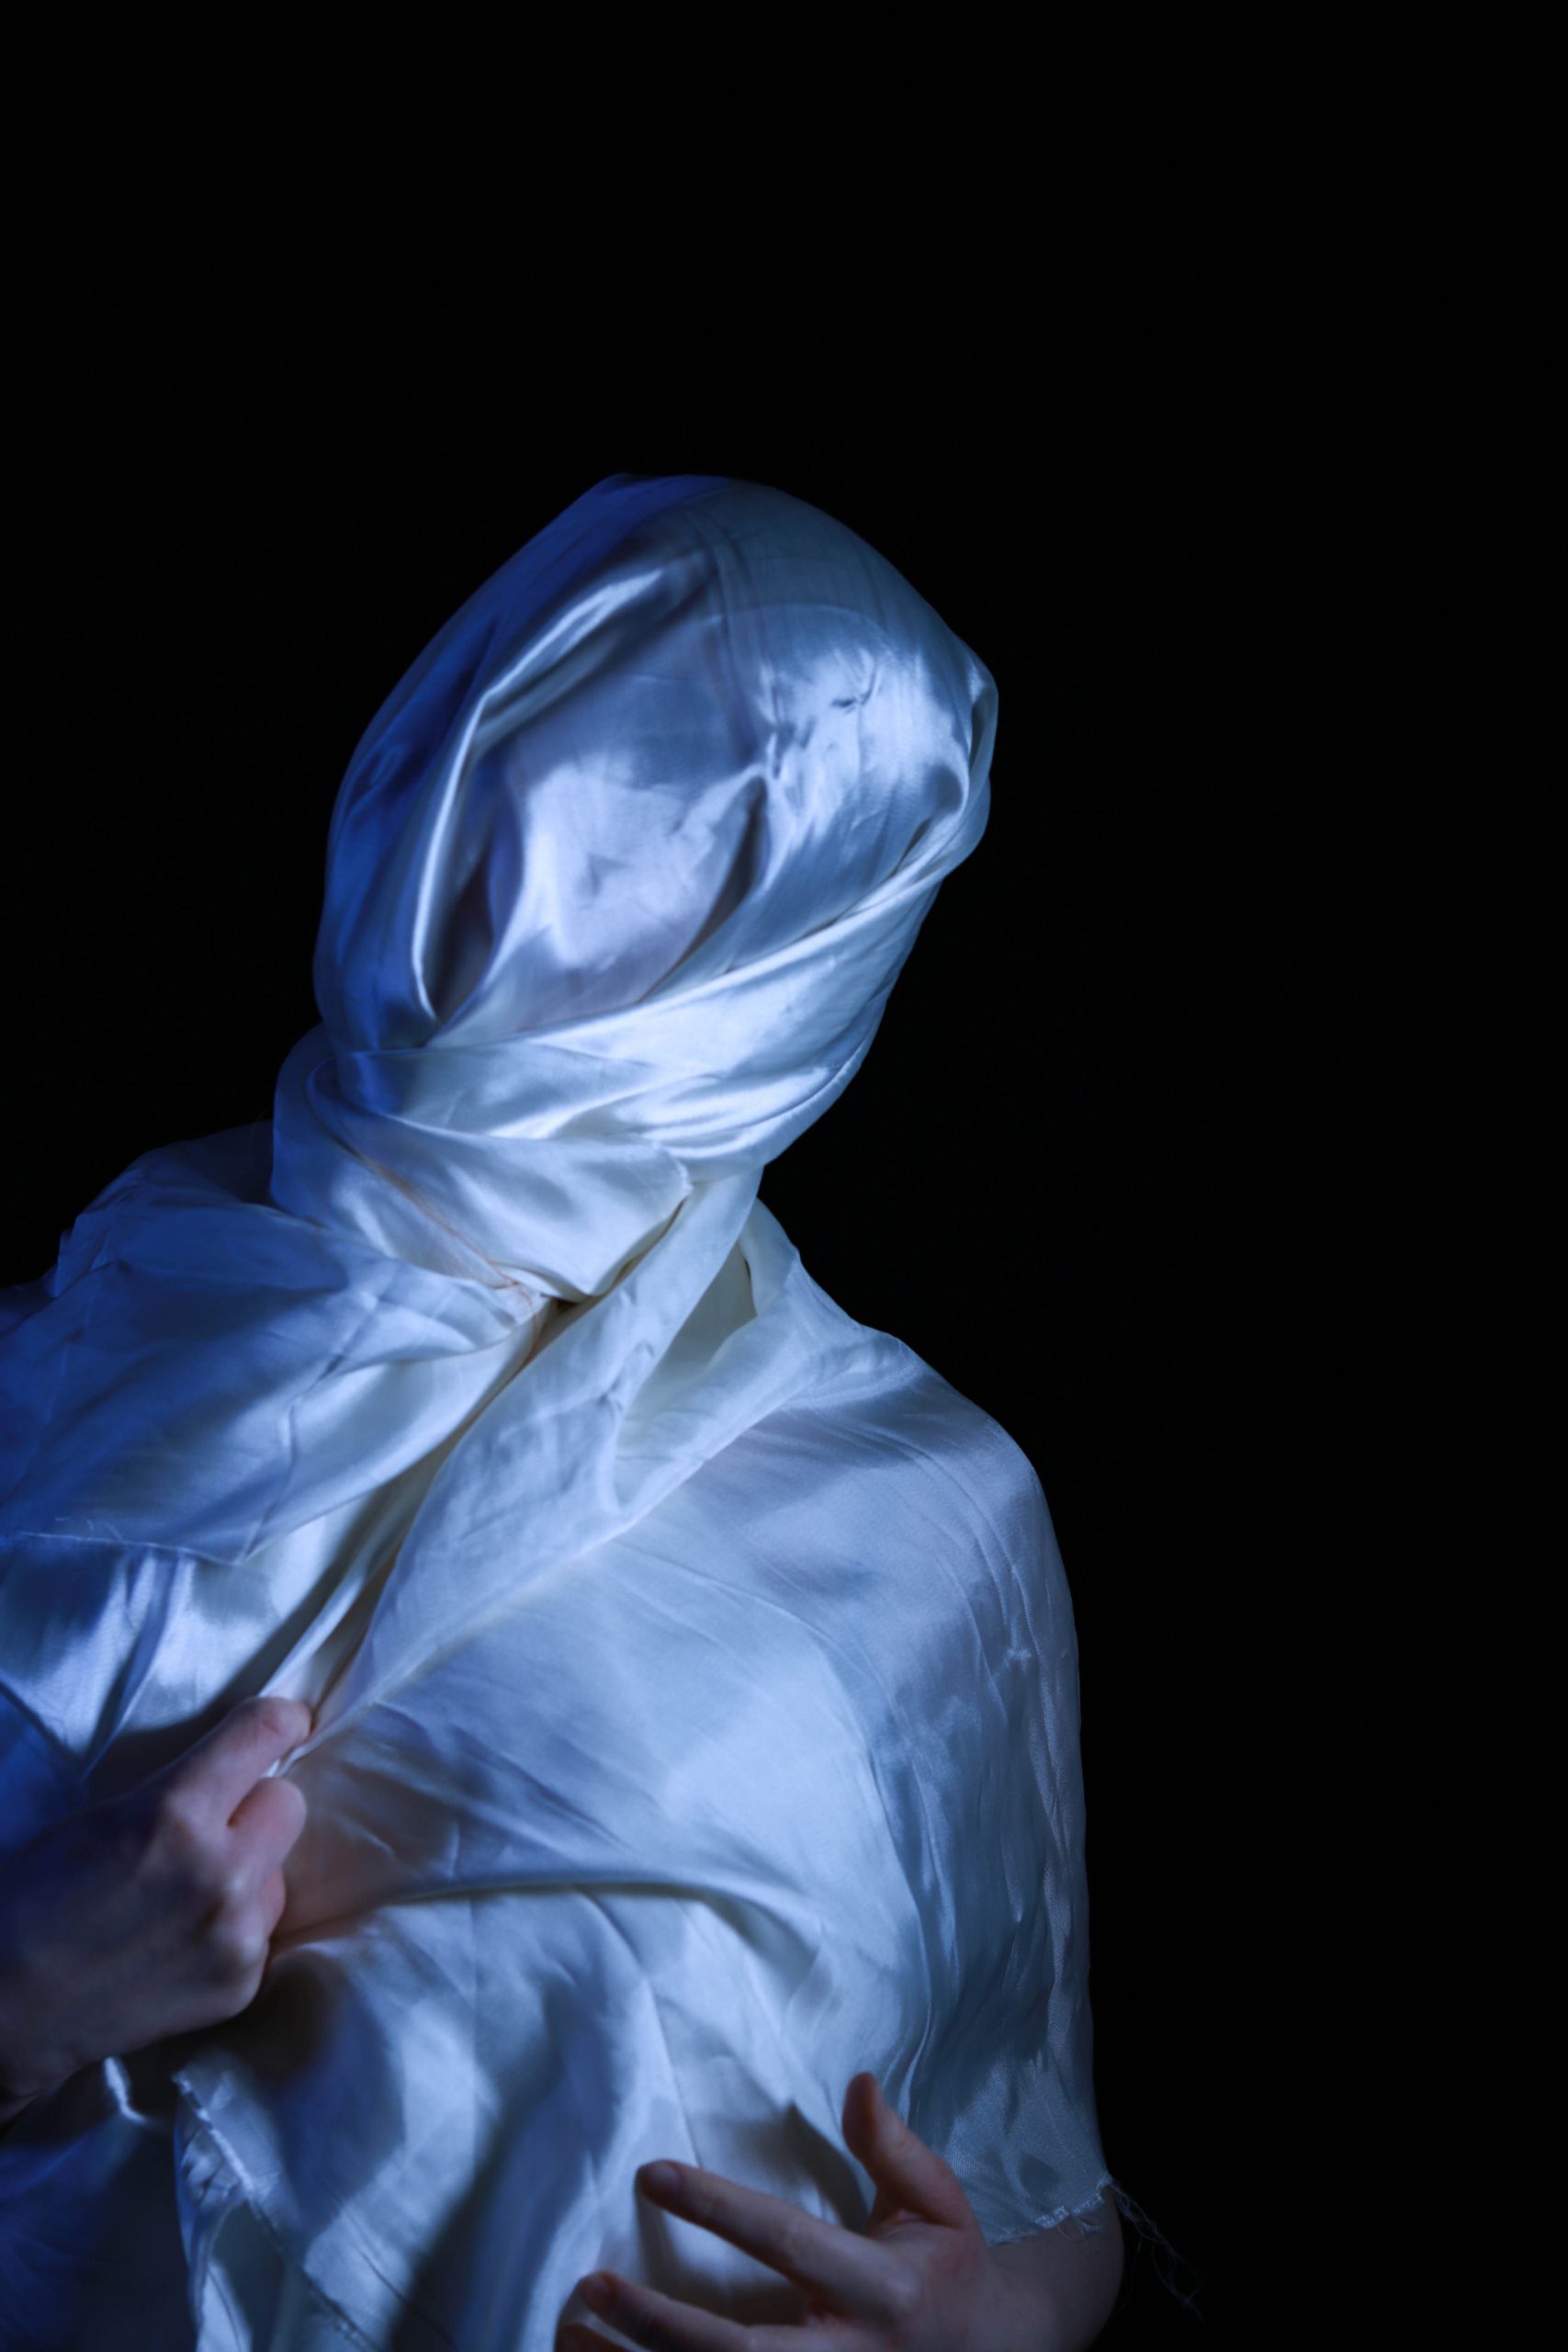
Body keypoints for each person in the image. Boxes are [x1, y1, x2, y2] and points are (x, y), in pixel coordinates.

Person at [0, 471, 1151, 2346]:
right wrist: (20, 1995)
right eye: (507, 743)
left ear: (810, 943)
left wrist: (982, 2320)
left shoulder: (918, 1521)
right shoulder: (58, 1356)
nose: (519, 856)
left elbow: (1035, 2164)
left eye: (669, 824)